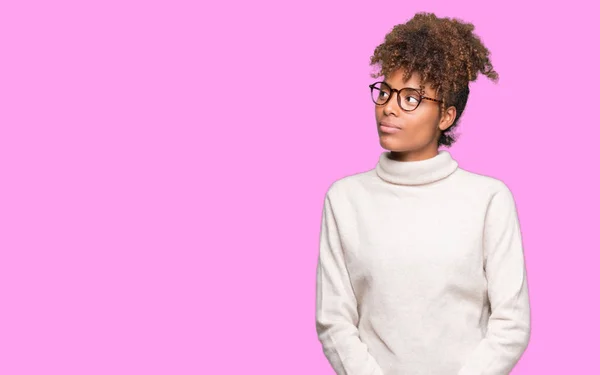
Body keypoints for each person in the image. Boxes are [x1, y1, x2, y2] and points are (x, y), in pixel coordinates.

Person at [315, 12, 531, 375]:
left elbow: (511, 324)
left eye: (411, 98)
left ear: (445, 116)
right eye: (385, 91)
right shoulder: (345, 199)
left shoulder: (488, 199)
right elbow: (334, 320)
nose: (389, 106)